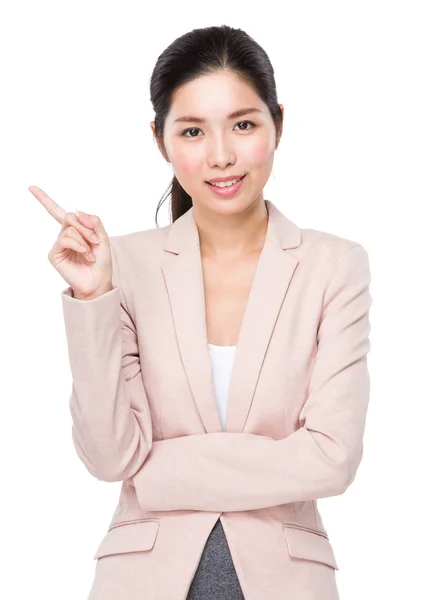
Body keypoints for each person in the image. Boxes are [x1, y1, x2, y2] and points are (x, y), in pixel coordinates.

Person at [29, 24, 372, 600]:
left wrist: (155, 474)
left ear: (277, 124)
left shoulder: (334, 265)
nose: (221, 156)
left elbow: (331, 459)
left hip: (287, 581)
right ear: (161, 139)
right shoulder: (124, 266)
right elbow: (112, 456)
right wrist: (93, 297)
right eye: (192, 130)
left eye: (243, 124)